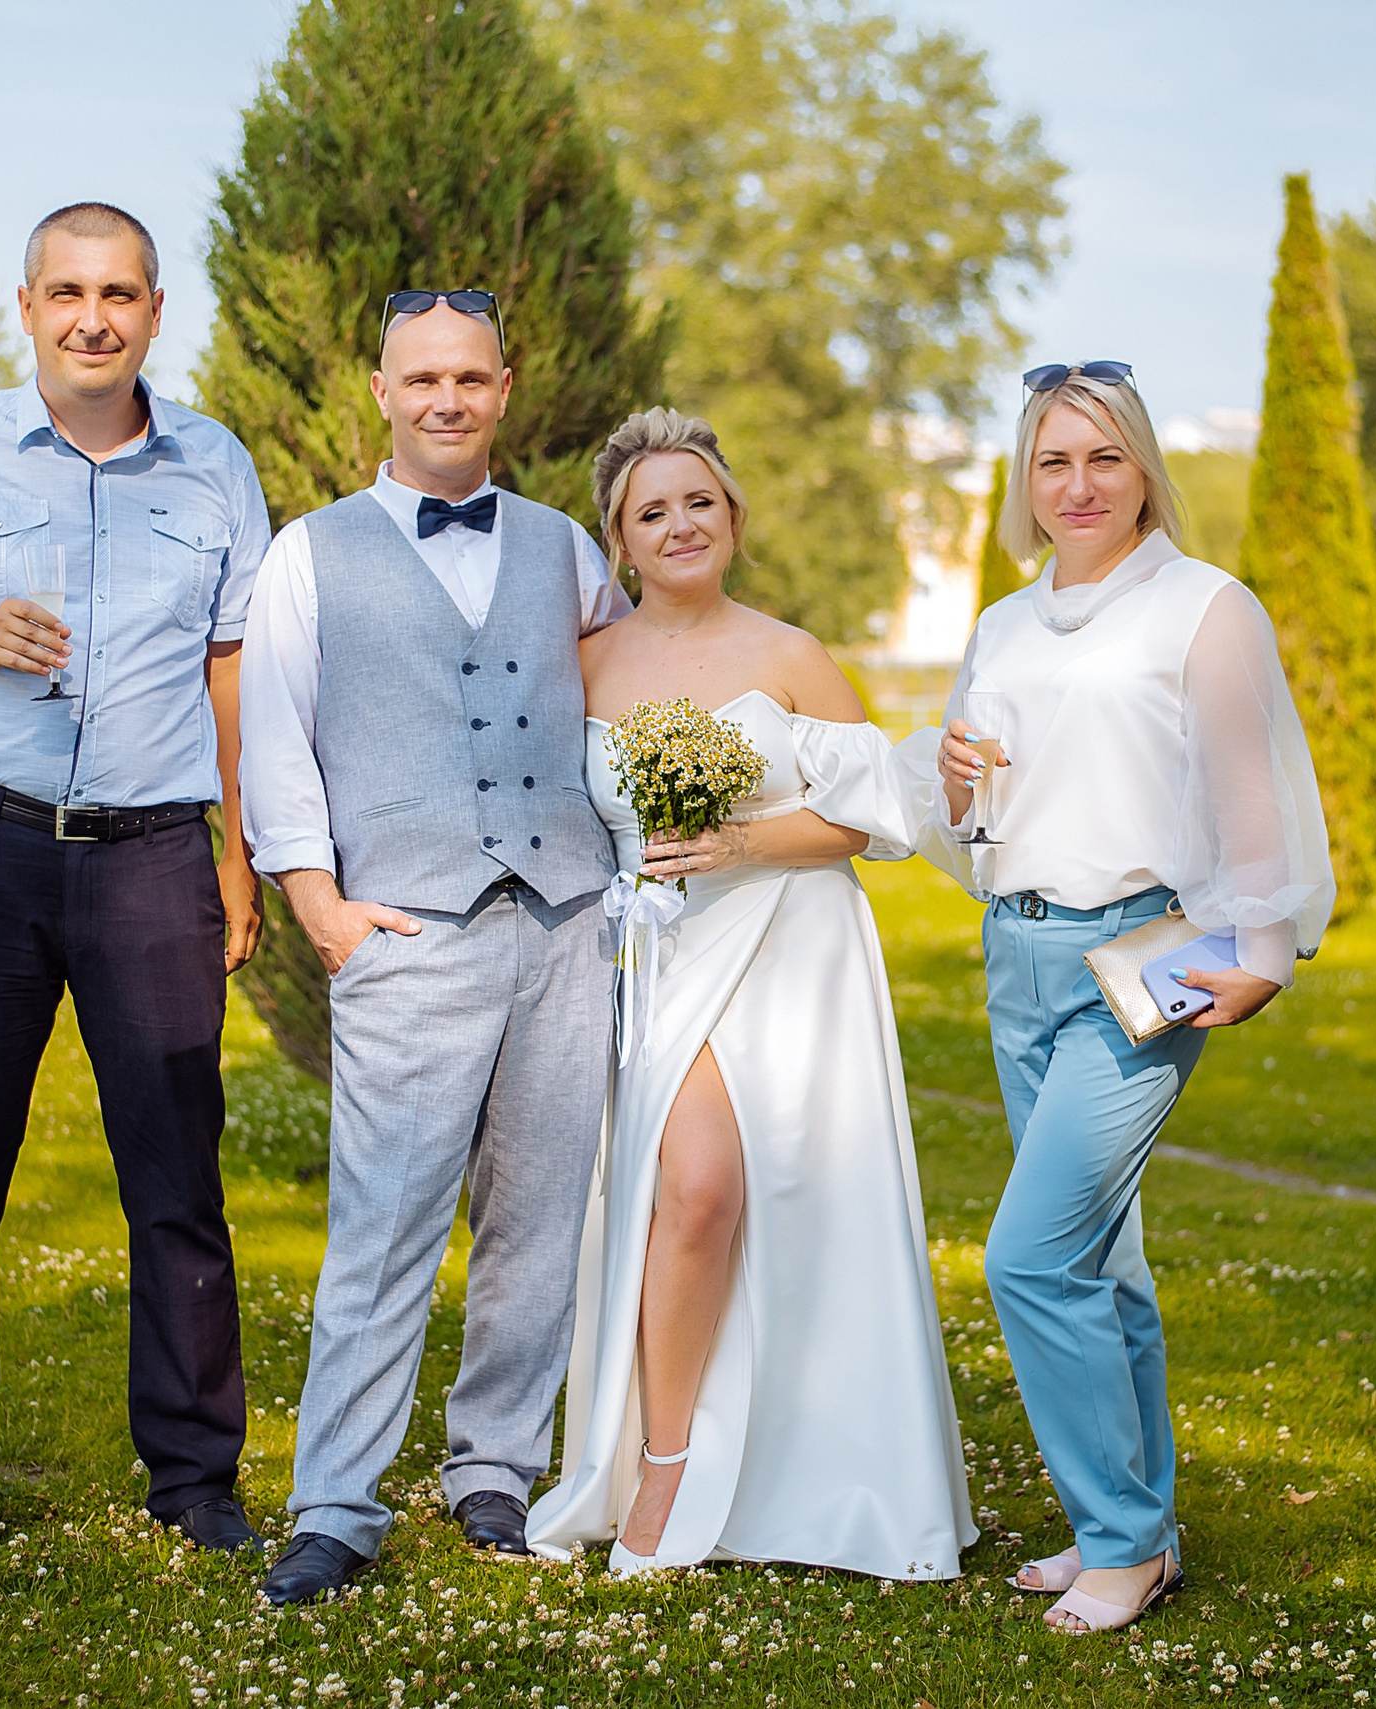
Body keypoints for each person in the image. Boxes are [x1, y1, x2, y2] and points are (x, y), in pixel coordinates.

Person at [0, 202, 274, 1571]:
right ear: (25, 307)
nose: (93, 317)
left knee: (176, 1176)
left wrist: (239, 852)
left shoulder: (214, 464)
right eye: (67, 292)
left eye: (119, 294)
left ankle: (194, 1477)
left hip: (153, 858)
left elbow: (235, 667)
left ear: (154, 311)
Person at [913, 361, 1333, 1633]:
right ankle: (1142, 1526)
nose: (1079, 484)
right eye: (1053, 460)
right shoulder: (1002, 623)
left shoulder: (1204, 607)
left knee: (1030, 1256)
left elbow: (1250, 784)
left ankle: (1120, 1544)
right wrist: (954, 781)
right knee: (1104, 1256)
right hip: (1017, 950)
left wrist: (1262, 950)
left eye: (1104, 456)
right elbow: (975, 816)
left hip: (1141, 958)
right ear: (1024, 479)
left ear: (1144, 467)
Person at [524, 409, 974, 1579]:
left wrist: (739, 840)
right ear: (619, 540)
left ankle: (808, 1465)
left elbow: (869, 816)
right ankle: (664, 1461)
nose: (679, 524)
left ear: (732, 518)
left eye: (700, 502)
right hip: (659, 958)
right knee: (700, 1189)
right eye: (652, 510)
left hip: (791, 945)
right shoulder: (584, 663)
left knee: (805, 1198)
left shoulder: (790, 653)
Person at [238, 288, 628, 1605]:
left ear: (504, 389)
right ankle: (336, 1505)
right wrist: (320, 906)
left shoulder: (567, 549)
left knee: (538, 1216)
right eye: (422, 379)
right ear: (383, 392)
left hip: (566, 921)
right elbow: (274, 738)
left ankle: (495, 1470)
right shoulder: (308, 554)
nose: (446, 399)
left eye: (470, 377)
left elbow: (623, 705)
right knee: (384, 1224)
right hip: (407, 928)